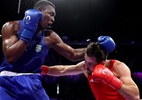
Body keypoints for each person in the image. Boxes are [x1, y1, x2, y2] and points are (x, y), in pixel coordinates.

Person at [0, 0, 86, 100]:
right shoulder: (12, 26)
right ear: (39, 12)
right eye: (51, 14)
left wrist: (97, 47)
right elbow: (11, 57)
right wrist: (29, 31)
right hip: (6, 83)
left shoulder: (50, 36)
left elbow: (73, 54)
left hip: (32, 82)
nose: (53, 19)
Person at [41, 36, 140, 100]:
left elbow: (135, 96)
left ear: (102, 62)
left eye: (90, 63)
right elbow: (63, 70)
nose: (86, 66)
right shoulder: (85, 66)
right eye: (85, 61)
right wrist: (43, 69)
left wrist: (111, 80)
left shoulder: (118, 67)